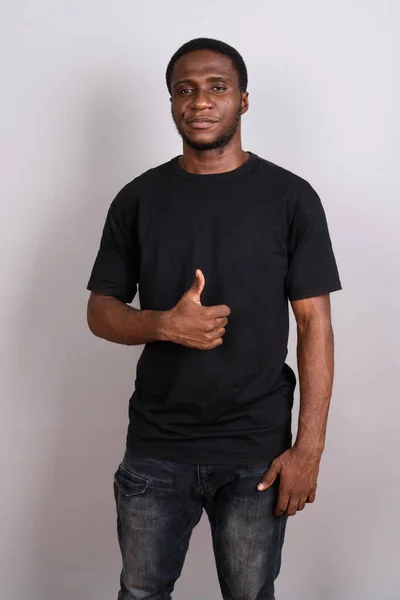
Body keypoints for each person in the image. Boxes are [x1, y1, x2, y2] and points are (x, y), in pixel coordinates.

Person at [86, 37, 342, 600]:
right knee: (141, 591)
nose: (199, 102)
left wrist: (309, 448)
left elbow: (314, 325)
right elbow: (99, 312)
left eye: (216, 88)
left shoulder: (291, 198)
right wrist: (161, 325)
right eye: (185, 90)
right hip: (157, 446)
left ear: (243, 100)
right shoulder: (138, 199)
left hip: (257, 450)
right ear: (173, 103)